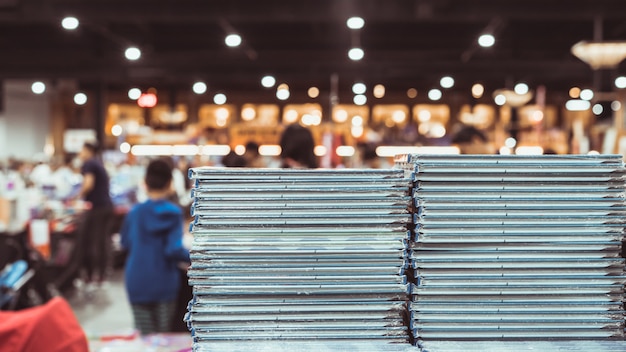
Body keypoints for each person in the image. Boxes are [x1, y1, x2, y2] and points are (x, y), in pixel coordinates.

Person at [120, 159, 190, 335]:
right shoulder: (173, 213)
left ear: (146, 182)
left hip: (136, 281)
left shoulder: (134, 212)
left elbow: (125, 243)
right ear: (169, 182)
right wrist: (199, 257)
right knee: (164, 339)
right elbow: (173, 249)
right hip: (163, 282)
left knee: (146, 339)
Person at [77, 142, 113, 286]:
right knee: (102, 241)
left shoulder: (90, 164)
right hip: (106, 207)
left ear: (88, 150)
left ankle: (92, 275)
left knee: (93, 241)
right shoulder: (98, 163)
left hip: (97, 208)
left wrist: (76, 197)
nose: (80, 152)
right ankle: (102, 274)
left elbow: (88, 184)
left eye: (81, 149)